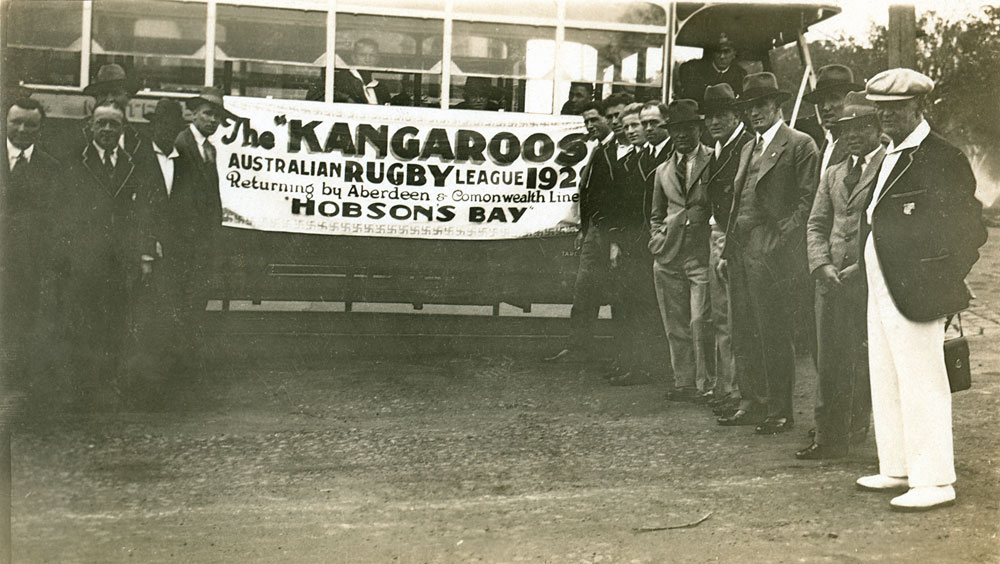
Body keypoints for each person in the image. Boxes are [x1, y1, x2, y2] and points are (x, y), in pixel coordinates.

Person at [855, 69, 987, 511]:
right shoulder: (891, 153)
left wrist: (942, 278)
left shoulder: (941, 156)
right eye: (879, 107)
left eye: (895, 108)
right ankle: (897, 466)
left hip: (920, 287)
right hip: (883, 281)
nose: (885, 116)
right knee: (886, 373)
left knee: (923, 378)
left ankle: (934, 480)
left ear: (918, 107)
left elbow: (970, 228)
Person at [717, 72, 819, 434]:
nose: (755, 112)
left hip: (772, 251)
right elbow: (737, 200)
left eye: (761, 105)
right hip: (741, 247)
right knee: (743, 328)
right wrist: (727, 249)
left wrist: (779, 240)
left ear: (777, 105)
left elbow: (808, 201)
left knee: (773, 330)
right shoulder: (748, 147)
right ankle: (752, 401)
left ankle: (780, 409)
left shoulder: (800, 144)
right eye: (749, 107)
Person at [797, 92, 884, 460]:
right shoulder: (833, 173)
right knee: (829, 357)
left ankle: (858, 428)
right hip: (830, 282)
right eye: (846, 128)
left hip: (870, 280)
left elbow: (888, 228)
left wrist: (862, 267)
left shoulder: (887, 167)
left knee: (868, 357)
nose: (851, 135)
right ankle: (828, 435)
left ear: (878, 129)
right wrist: (821, 264)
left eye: (861, 126)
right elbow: (816, 223)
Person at [60, 100, 156, 405]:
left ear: (123, 129)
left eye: (113, 124)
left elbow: (141, 213)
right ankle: (83, 385)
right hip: (84, 258)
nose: (106, 129)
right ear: (90, 126)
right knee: (84, 321)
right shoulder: (76, 160)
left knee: (117, 320)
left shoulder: (130, 163)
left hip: (120, 259)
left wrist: (143, 254)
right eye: (101, 123)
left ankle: (110, 382)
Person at [546, 100, 624, 363]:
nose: (590, 126)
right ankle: (578, 347)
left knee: (617, 292)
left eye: (595, 120)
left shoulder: (618, 148)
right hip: (595, 229)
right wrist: (585, 226)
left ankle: (618, 353)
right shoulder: (600, 149)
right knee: (584, 290)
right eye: (586, 122)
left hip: (610, 230)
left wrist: (612, 236)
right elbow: (590, 192)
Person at [648, 100, 714, 402]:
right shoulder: (662, 170)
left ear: (698, 129)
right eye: (676, 130)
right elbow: (656, 214)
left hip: (701, 253)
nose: (682, 135)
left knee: (700, 320)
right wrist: (658, 239)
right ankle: (684, 381)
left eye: (688, 129)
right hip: (668, 254)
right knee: (674, 322)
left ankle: (706, 384)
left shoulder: (714, 159)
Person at [1, 98, 63, 401]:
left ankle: (16, 390)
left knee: (20, 329)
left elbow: (53, 223)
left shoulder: (51, 168)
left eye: (31, 125)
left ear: (40, 129)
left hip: (28, 269)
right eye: (16, 122)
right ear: (6, 122)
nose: (22, 129)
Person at [125, 99, 187, 402]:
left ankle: (159, 387)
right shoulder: (138, 157)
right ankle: (138, 387)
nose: (167, 132)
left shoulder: (182, 160)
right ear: (154, 127)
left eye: (172, 127)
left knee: (165, 319)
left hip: (173, 255)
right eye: (162, 126)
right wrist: (145, 251)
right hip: (145, 256)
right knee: (141, 318)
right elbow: (137, 209)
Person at [702, 83, 754, 413]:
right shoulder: (721, 148)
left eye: (722, 114)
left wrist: (728, 244)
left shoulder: (745, 147)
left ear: (736, 115)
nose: (714, 122)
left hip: (734, 237)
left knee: (736, 316)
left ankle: (737, 390)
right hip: (717, 233)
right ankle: (725, 386)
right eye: (710, 116)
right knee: (721, 315)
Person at [604, 103, 664, 386]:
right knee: (632, 306)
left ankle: (649, 366)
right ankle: (634, 363)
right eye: (629, 126)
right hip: (633, 244)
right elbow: (622, 206)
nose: (634, 131)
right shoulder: (634, 160)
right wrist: (617, 241)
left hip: (653, 243)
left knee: (648, 308)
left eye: (638, 125)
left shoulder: (665, 156)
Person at [170, 87, 227, 375]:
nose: (212, 121)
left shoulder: (209, 148)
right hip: (186, 238)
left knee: (196, 299)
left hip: (203, 238)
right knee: (184, 299)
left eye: (217, 116)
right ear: (194, 114)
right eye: (207, 114)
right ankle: (180, 361)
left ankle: (187, 359)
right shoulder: (183, 143)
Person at [804, 65, 863, 176]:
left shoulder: (859, 142)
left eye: (834, 98)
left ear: (850, 100)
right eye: (821, 101)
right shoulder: (826, 143)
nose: (825, 107)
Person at [675, 33, 746, 105]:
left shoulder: (740, 75)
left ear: (734, 54)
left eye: (726, 52)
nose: (722, 56)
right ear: (713, 53)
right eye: (718, 51)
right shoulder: (695, 70)